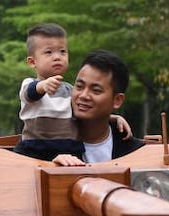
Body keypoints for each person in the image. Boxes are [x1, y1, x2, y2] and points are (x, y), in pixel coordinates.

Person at [14, 23, 131, 160]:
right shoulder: (30, 84)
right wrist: (42, 86)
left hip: (68, 148)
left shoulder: (69, 90)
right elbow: (29, 93)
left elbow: (79, 110)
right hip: (36, 148)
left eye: (62, 51)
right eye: (48, 52)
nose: (57, 57)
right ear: (32, 62)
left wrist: (113, 118)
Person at [52, 50, 145, 166]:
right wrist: (51, 165)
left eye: (96, 90)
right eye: (79, 86)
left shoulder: (135, 153)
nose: (84, 95)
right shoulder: (48, 141)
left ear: (117, 100)